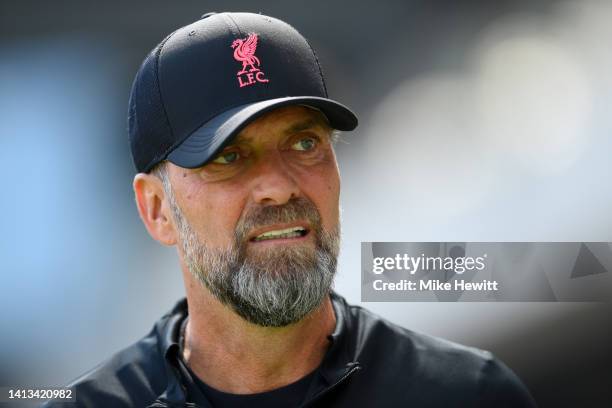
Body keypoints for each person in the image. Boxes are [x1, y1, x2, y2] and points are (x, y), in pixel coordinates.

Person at [43, 12, 537, 408]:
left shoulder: (469, 394)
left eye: (303, 143)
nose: (278, 188)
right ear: (157, 211)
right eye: (228, 157)